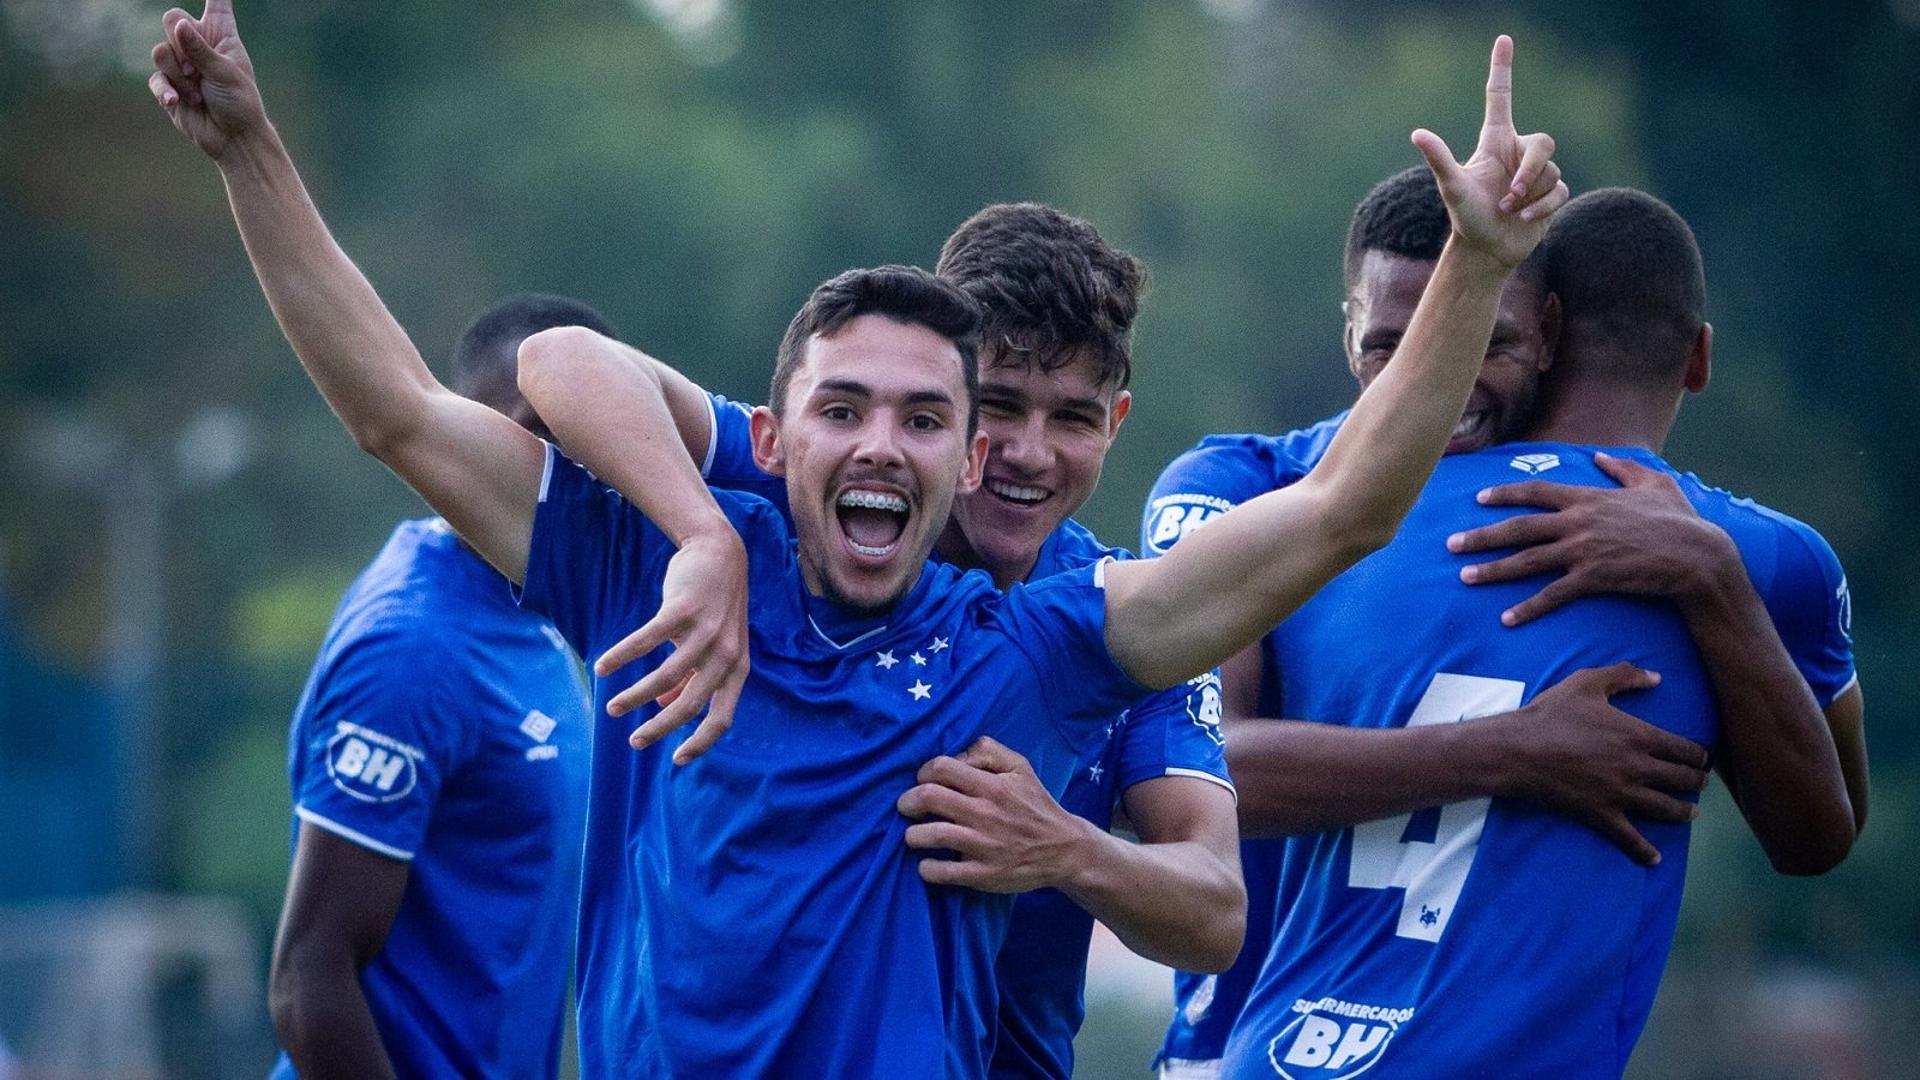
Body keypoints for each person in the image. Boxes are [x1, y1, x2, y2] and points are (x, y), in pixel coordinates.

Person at [151, 4, 1567, 1073]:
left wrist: (1478, 268)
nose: (889, 442)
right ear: (772, 437)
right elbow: (424, 402)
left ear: (956, 461)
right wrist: (246, 147)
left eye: (926, 418)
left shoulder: (1045, 644)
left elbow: (1345, 510)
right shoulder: (651, 564)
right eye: (845, 408)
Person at [522, 200, 1245, 1079]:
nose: (1028, 452)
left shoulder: (1127, 618)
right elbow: (563, 361)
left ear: (1117, 423)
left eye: (1074, 419)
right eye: (1003, 407)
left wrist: (1068, 849)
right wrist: (700, 535)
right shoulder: (818, 478)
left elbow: (1215, 914)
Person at [1155, 188, 1861, 1077]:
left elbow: (1816, 839)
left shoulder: (1309, 532)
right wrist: (1517, 749)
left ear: (1548, 336)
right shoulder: (1263, 497)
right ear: (1700, 358)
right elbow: (1197, 772)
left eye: (1482, 344)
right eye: (1392, 345)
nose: (1437, 377)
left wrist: (1711, 578)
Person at [265, 295, 598, 1079]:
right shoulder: (415, 649)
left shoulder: (546, 602)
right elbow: (308, 977)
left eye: (593, 433)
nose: (571, 465)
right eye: (541, 432)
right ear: (459, 427)